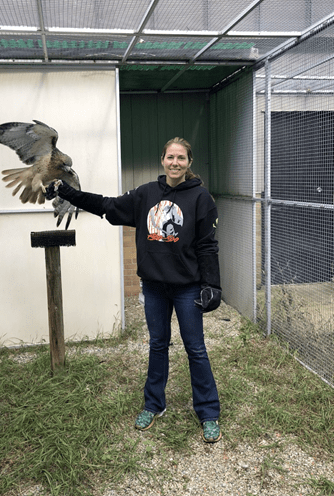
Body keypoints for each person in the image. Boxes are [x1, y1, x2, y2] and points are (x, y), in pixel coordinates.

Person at [45, 137, 222, 443]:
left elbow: (207, 245)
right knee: (157, 345)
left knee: (195, 349)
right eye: (170, 157)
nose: (175, 163)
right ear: (162, 160)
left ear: (189, 162)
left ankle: (208, 412)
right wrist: (68, 192)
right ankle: (154, 405)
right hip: (153, 286)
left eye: (181, 158)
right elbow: (106, 205)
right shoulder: (146, 194)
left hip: (186, 288)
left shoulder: (201, 198)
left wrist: (212, 285)